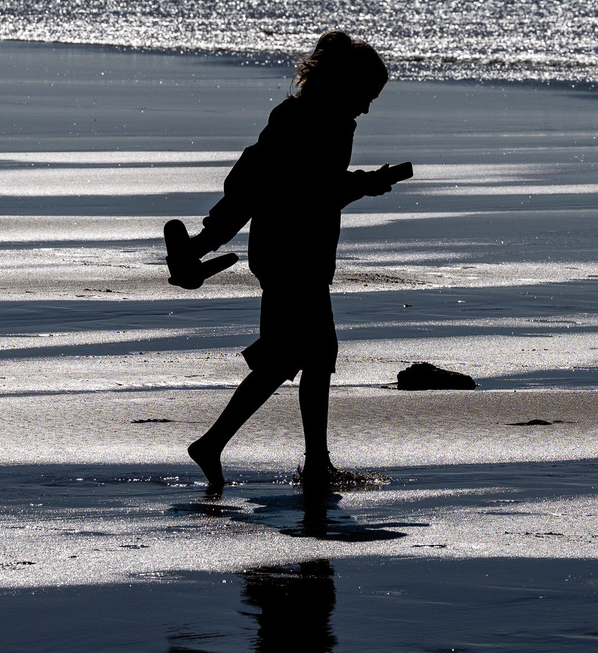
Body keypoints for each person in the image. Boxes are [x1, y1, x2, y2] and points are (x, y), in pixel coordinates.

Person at [163, 31, 413, 493]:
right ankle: (250, 451)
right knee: (303, 357)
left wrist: (209, 238)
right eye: (366, 96)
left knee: (302, 358)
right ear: (344, 85)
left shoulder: (306, 117)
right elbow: (308, 190)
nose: (368, 108)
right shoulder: (316, 121)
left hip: (295, 251)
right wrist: (364, 185)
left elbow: (260, 180)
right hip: (292, 254)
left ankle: (277, 455)